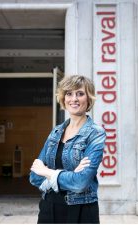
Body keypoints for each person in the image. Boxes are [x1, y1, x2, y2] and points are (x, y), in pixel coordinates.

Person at [29, 75, 106, 224]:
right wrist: (70, 175)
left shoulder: (96, 133)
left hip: (81, 210)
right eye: (69, 94)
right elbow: (34, 176)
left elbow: (81, 182)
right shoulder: (56, 132)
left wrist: (48, 172)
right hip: (48, 208)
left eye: (80, 93)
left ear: (88, 99)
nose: (74, 99)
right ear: (63, 99)